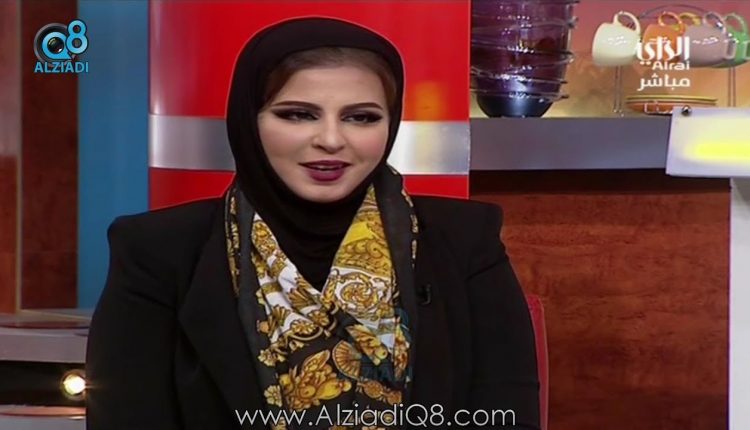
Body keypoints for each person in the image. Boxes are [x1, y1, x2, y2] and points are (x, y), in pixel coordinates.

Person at [85, 17, 540, 430]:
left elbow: (505, 413)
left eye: (361, 117)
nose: (331, 140)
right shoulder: (157, 251)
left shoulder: (465, 240)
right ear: (249, 119)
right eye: (297, 114)